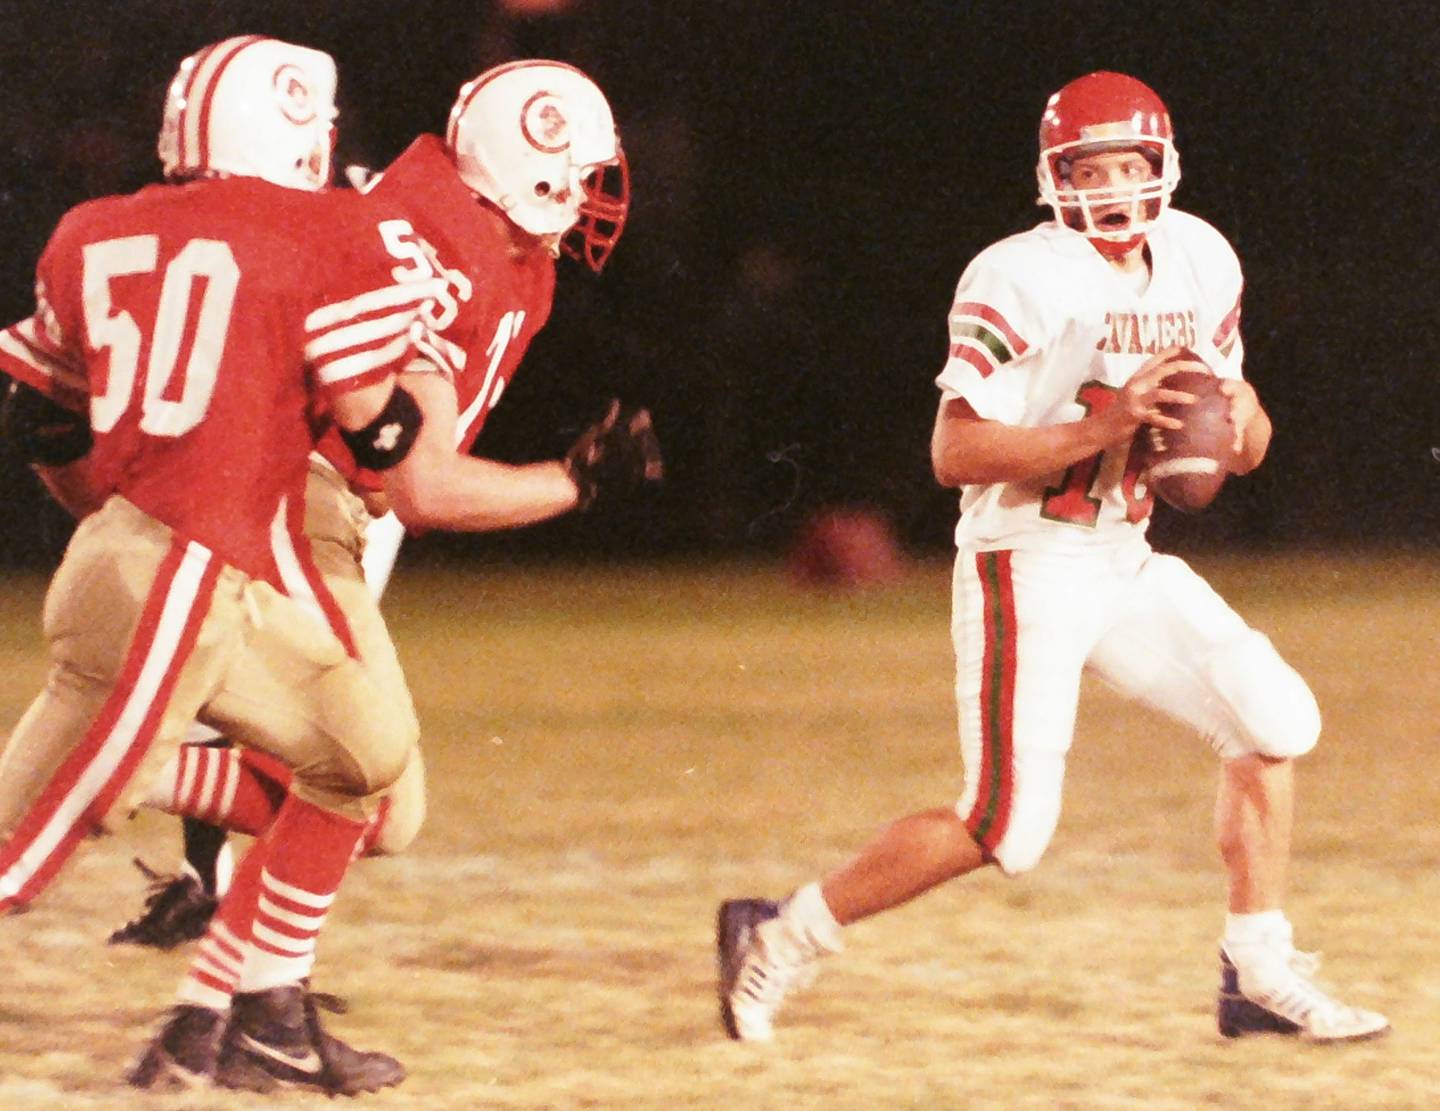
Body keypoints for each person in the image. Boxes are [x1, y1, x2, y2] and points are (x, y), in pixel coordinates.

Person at [716, 71, 1389, 1045]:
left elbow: (1246, 443)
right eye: (1090, 166)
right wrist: (1109, 423)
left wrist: (1238, 421)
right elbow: (954, 452)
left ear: (1163, 165)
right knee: (1007, 825)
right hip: (1023, 557)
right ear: (1054, 175)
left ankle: (1256, 970)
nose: (1113, 186)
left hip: (1123, 552)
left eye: (1129, 163)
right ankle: (779, 932)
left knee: (1274, 716)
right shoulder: (1019, 274)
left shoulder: (1199, 258)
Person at [101, 55, 659, 1014]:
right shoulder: (450, 254)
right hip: (297, 499)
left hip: (297, 493)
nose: (601, 194)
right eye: (587, 171)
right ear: (536, 171)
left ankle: (244, 973)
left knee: (332, 769)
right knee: (370, 790)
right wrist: (574, 482)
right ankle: (107, 797)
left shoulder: (463, 213)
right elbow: (425, 483)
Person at [0, 35, 446, 1092]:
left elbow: (44, 422)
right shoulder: (324, 230)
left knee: (365, 754)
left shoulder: (89, 229)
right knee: (35, 842)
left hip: (157, 560)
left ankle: (271, 1022)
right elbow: (373, 431)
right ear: (297, 128)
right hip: (188, 578)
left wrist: (114, 529)